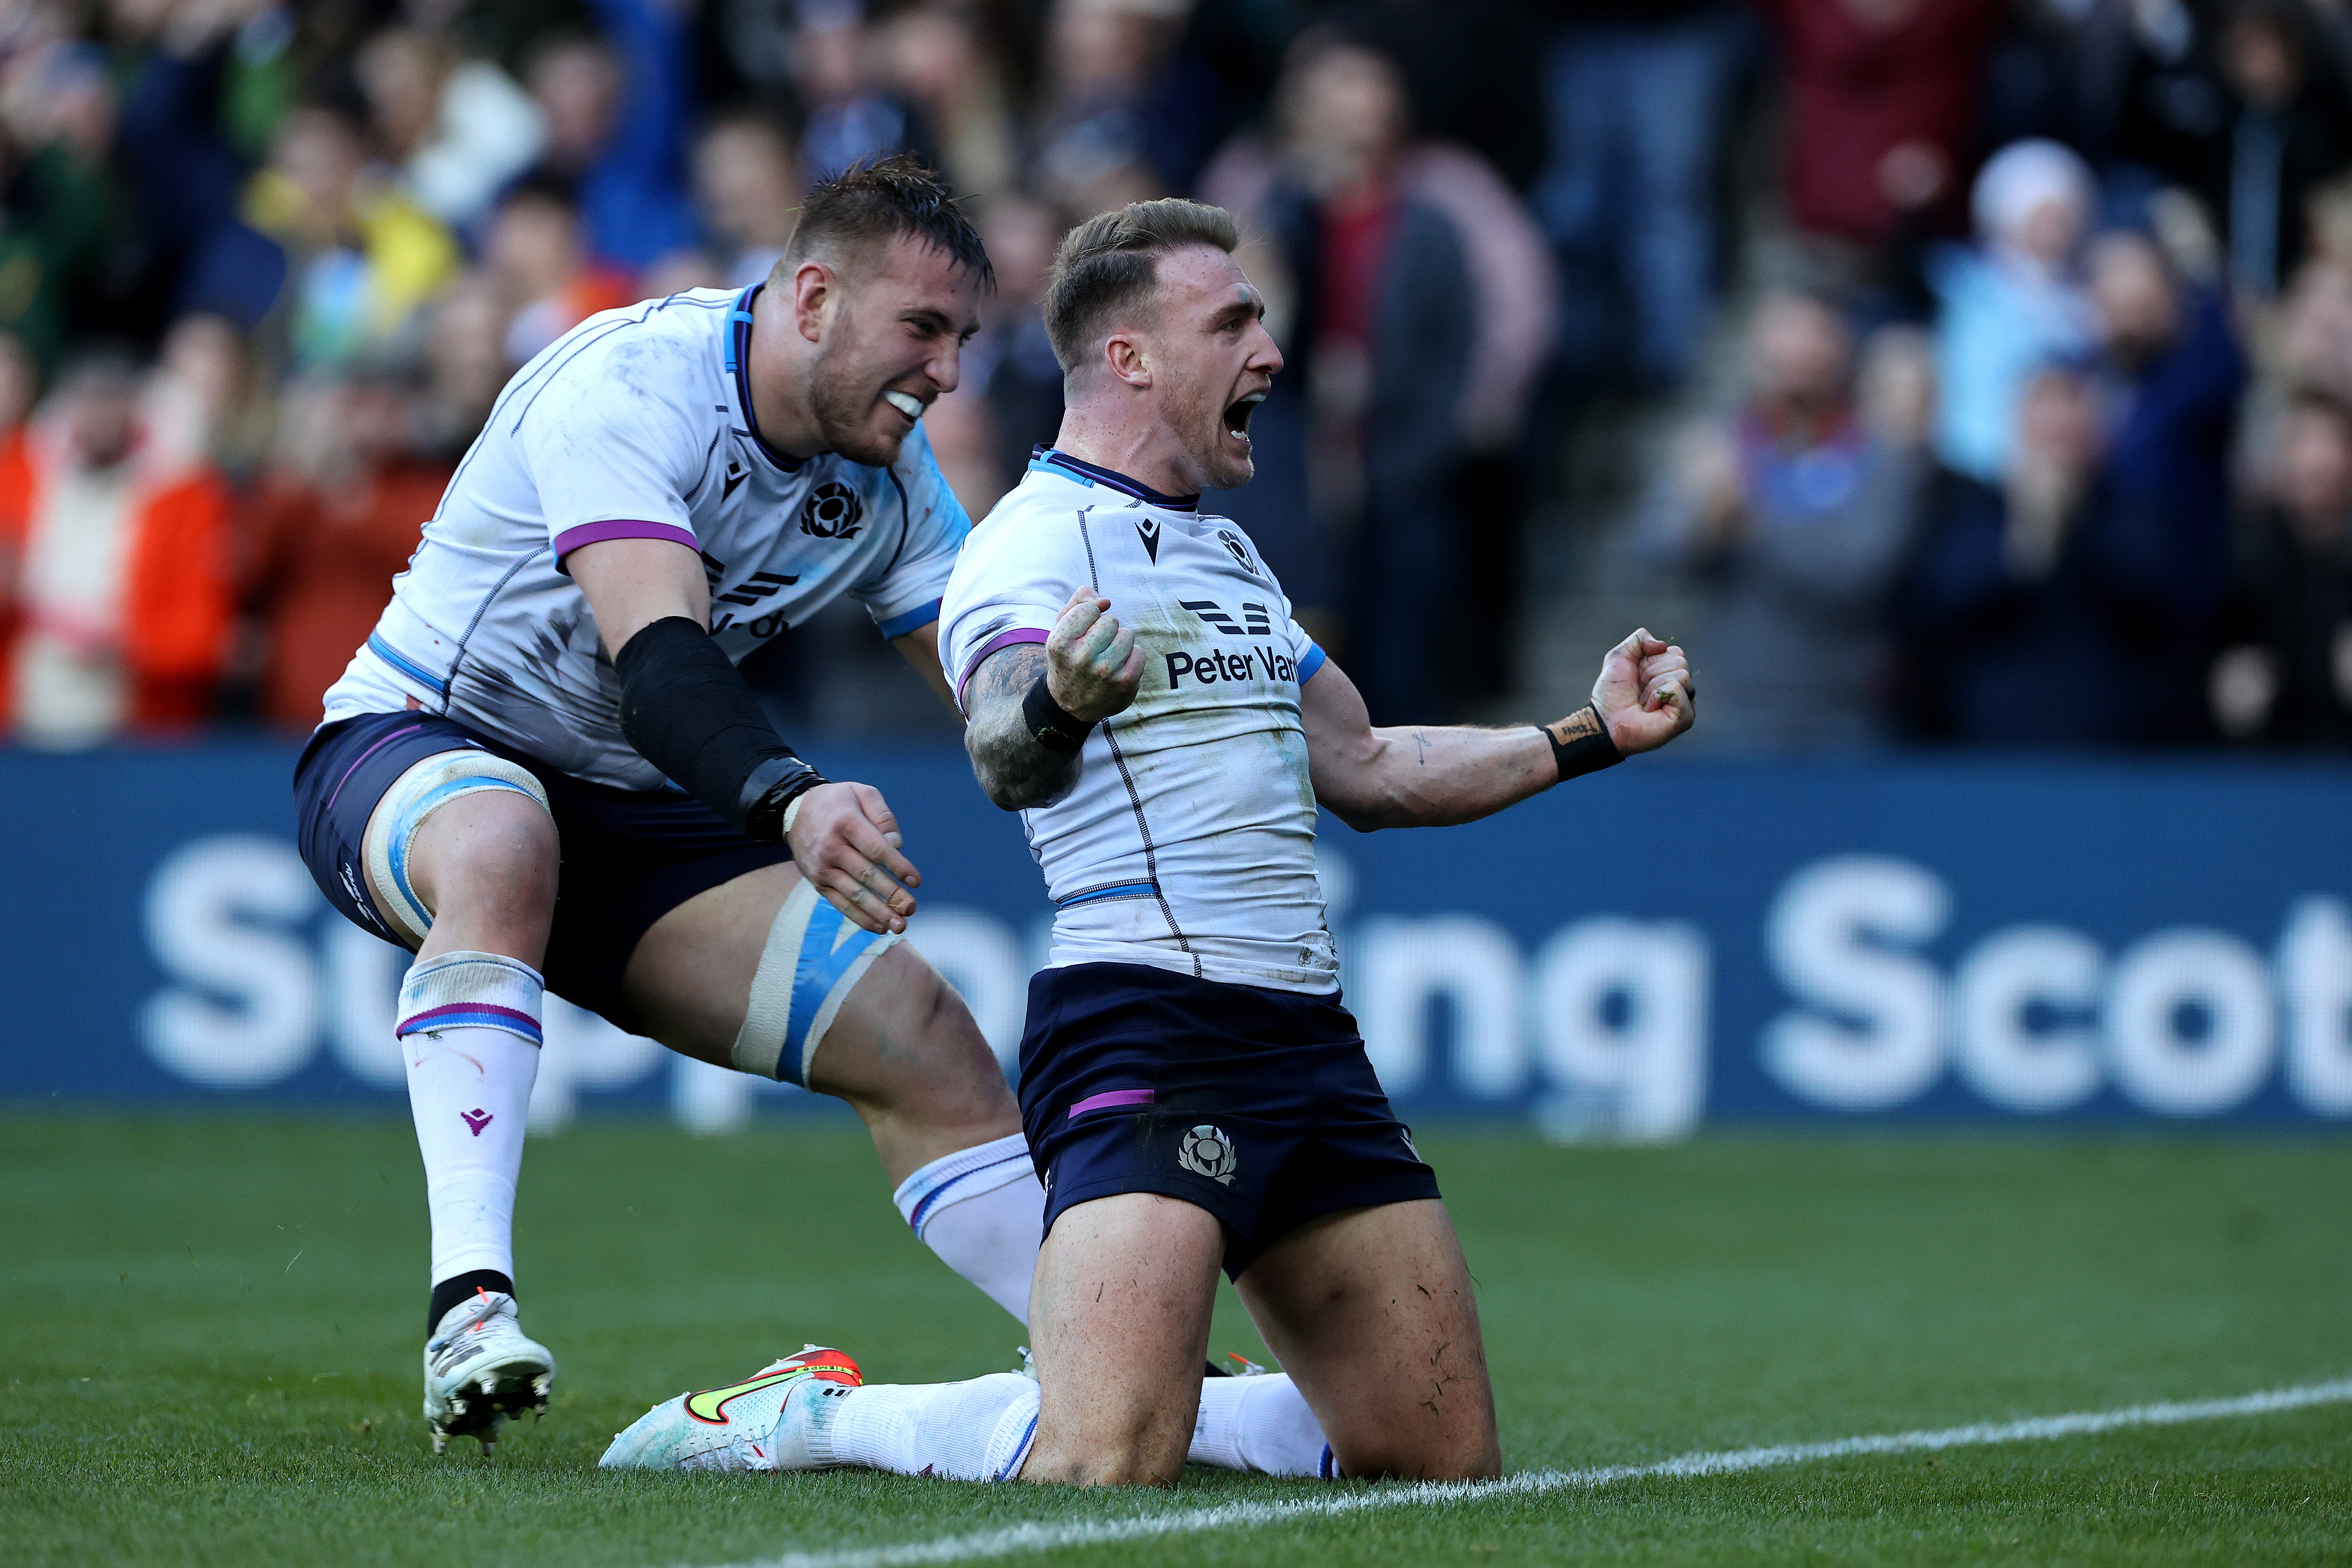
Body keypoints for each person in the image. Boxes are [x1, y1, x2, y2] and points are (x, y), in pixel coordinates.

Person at [601, 198, 1695, 1486]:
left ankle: (1165, 1382)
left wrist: (1586, 735)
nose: (1270, 352)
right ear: (1129, 358)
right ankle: (813, 1413)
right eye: (1233, 321)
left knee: (1436, 1458)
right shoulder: (1026, 547)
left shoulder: (1228, 555)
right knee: (1106, 1456)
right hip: (1148, 1031)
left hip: (1307, 1041)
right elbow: (1005, 751)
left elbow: (1369, 766)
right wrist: (1062, 696)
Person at [289, 156, 1048, 1457]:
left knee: (922, 1033)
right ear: (812, 296)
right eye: (921, 330)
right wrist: (792, 797)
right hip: (420, 743)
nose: (946, 371)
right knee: (503, 832)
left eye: (964, 339)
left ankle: (1119, 1345)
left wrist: (1063, 695)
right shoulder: (632, 382)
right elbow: (660, 666)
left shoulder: (893, 479)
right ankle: (469, 1307)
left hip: (632, 811)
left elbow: (997, 710)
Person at [1636, 292, 1929, 751]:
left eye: (1813, 339)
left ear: (1842, 352)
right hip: (1736, 712)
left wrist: (1749, 517)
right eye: (1784, 337)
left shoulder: (1881, 455)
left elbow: (1860, 574)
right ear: (1758, 348)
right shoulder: (1720, 443)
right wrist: (1698, 515)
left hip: (1849, 717)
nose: (1797, 355)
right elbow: (1652, 551)